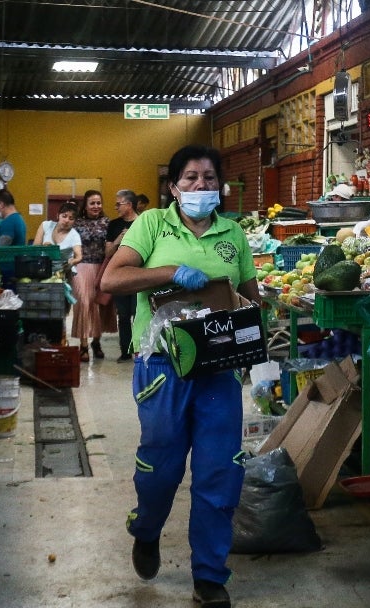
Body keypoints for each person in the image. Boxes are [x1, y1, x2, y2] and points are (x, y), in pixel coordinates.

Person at [100, 144, 258, 608]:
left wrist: (254, 324)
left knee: (219, 471)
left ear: (220, 187)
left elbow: (249, 296)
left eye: (209, 178)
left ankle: (209, 575)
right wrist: (169, 272)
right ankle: (146, 530)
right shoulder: (152, 224)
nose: (200, 186)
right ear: (173, 187)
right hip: (164, 366)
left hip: (219, 369)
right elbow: (113, 279)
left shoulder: (234, 233)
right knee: (161, 466)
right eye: (190, 178)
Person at [72, 189, 115, 362]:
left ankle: (96, 342)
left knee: (101, 305)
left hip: (102, 266)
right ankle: (83, 345)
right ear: (85, 205)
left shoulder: (108, 223)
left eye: (99, 203)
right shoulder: (77, 223)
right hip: (81, 266)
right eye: (92, 203)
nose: (96, 206)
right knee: (83, 302)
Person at [105, 190, 140, 362]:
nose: (116, 207)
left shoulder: (143, 223)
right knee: (124, 315)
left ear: (129, 204)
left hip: (140, 275)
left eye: (119, 204)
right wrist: (119, 239)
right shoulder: (114, 225)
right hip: (120, 275)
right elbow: (108, 252)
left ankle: (140, 350)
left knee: (139, 313)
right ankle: (125, 351)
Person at [32, 201, 83, 270]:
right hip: (43, 267)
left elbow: (79, 257)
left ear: (74, 221)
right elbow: (35, 248)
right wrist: (44, 247)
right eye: (64, 216)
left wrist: (72, 262)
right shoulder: (45, 225)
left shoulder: (74, 235)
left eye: (71, 218)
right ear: (58, 215)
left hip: (63, 269)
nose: (66, 220)